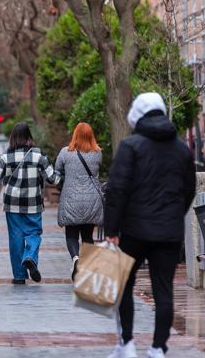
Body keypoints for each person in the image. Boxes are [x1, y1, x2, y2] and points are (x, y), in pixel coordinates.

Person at [104, 93, 195, 358]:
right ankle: (158, 348)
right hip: (168, 231)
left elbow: (117, 190)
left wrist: (111, 229)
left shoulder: (131, 146)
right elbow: (188, 189)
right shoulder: (181, 148)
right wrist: (174, 214)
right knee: (163, 289)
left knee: (124, 285)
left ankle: (127, 344)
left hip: (134, 230)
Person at [0, 122, 60, 285]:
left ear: (12, 138)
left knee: (15, 238)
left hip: (12, 203)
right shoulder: (39, 156)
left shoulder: (6, 158)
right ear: (29, 137)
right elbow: (53, 179)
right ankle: (30, 256)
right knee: (33, 233)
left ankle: (19, 276)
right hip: (33, 202)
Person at [55, 122, 103, 280]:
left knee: (71, 234)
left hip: (71, 199)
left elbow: (57, 171)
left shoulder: (65, 153)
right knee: (88, 236)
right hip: (91, 200)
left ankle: (75, 258)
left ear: (75, 135)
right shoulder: (98, 153)